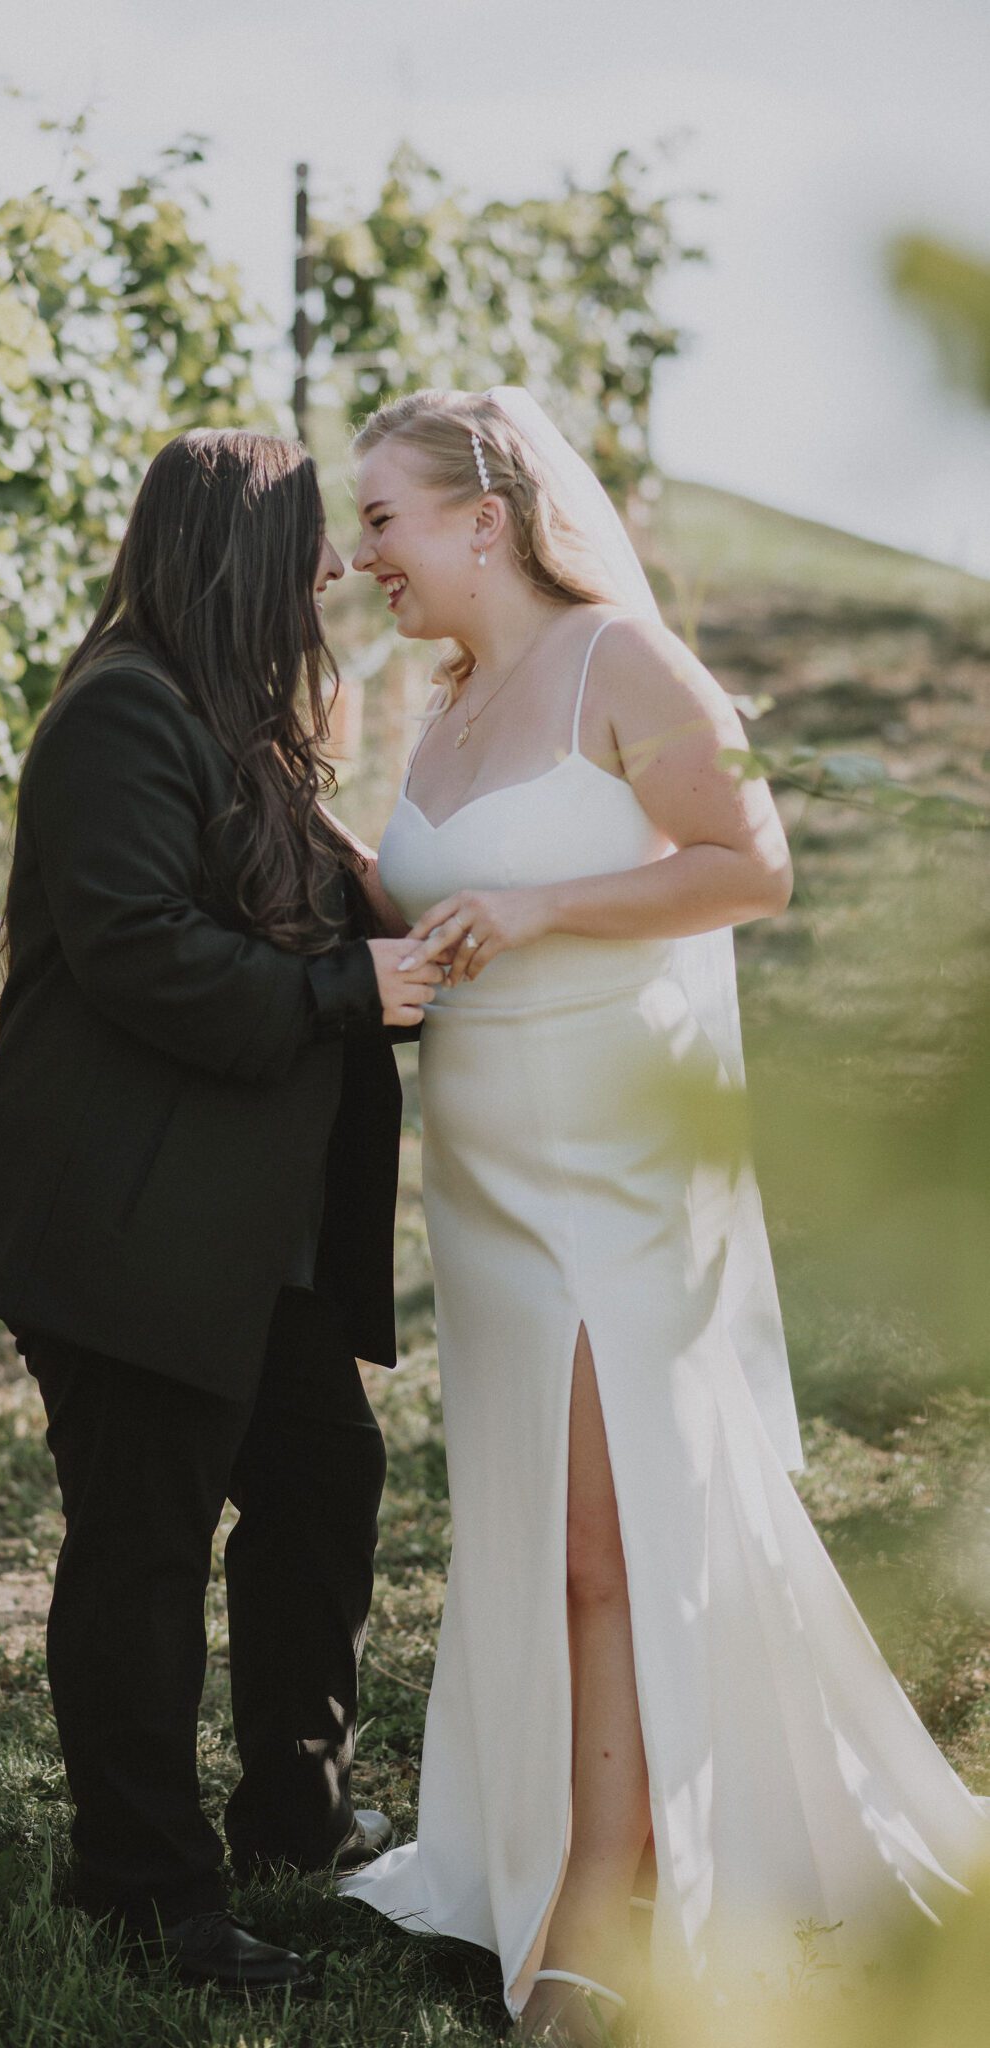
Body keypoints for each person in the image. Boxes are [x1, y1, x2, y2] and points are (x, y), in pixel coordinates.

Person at [336, 388, 990, 2041]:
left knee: (600, 1538)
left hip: (619, 1162)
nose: (365, 556)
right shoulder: (447, 700)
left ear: (483, 519)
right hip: (482, 1179)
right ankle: (546, 1833)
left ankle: (608, 1901)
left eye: (384, 519)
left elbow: (748, 864)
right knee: (536, 1529)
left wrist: (543, 904)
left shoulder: (622, 659)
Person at [0, 429, 447, 1989]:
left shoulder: (229, 719)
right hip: (121, 1217)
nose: (333, 570)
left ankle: (294, 1815)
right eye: (309, 541)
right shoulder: (116, 717)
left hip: (232, 1227)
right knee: (143, 1546)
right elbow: (142, 954)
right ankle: (145, 1898)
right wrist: (342, 987)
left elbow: (261, 905)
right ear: (238, 556)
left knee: (319, 1485)